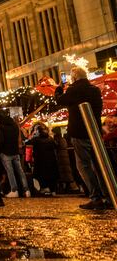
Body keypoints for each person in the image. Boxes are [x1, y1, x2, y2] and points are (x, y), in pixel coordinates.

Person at [54, 66, 108, 210]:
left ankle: (95, 197)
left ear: (74, 77)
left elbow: (60, 101)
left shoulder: (74, 90)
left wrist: (59, 89)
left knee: (83, 166)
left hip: (79, 133)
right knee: (100, 165)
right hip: (95, 132)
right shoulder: (95, 90)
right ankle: (108, 195)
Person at [0, 111, 30, 198]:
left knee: (10, 172)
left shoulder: (1, 127)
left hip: (5, 152)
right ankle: (26, 190)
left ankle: (14, 190)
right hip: (15, 151)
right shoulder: (15, 126)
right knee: (20, 171)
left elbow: (1, 140)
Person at [27, 123, 58, 195]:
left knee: (41, 175)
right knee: (51, 175)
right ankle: (53, 190)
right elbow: (56, 146)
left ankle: (44, 188)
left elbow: (27, 143)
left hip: (40, 160)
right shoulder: (50, 139)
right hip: (52, 160)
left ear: (38, 132)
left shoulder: (35, 139)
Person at [51, 127, 77, 194]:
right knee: (66, 173)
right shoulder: (63, 139)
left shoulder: (56, 139)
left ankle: (63, 189)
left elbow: (56, 146)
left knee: (61, 173)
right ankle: (67, 188)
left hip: (60, 157)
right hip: (65, 157)